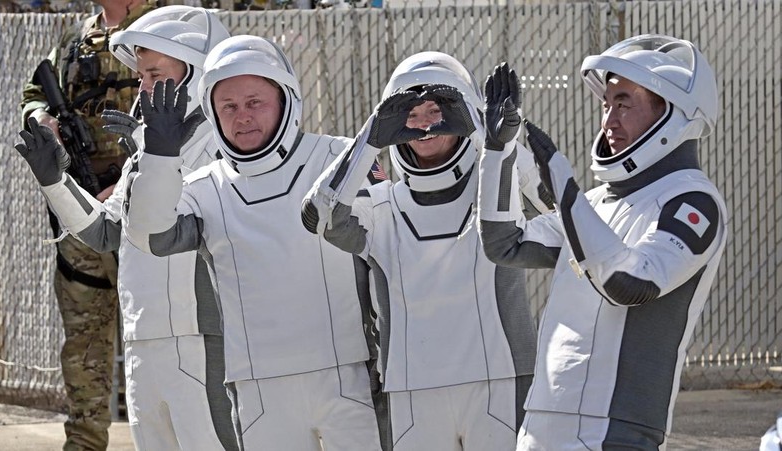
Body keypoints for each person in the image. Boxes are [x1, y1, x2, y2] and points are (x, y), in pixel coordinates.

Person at [121, 35, 383, 450]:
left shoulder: (339, 158)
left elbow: (385, 246)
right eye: (228, 107)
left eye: (254, 102)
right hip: (257, 388)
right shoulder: (202, 187)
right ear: (212, 114)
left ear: (287, 100)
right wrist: (160, 156)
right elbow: (149, 235)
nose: (242, 117)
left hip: (348, 376)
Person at [476, 35, 728, 450]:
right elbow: (504, 244)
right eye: (606, 105)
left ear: (672, 113)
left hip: (617, 431)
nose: (608, 121)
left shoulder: (694, 201)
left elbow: (630, 284)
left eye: (624, 103)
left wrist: (563, 186)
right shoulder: (593, 204)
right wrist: (499, 151)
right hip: (541, 423)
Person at [302, 51, 552, 450]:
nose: (425, 125)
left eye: (439, 110)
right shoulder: (380, 205)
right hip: (410, 394)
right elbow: (319, 217)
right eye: (410, 113)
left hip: (503, 382)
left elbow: (566, 214)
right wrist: (370, 139)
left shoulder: (496, 195)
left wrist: (495, 139)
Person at [16, 7, 238, 450]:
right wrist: (56, 181)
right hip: (146, 346)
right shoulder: (142, 149)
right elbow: (106, 230)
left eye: (154, 73)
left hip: (203, 347)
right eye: (141, 76)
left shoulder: (229, 147)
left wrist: (156, 157)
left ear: (194, 71)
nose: (143, 86)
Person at [19, 0, 154, 448]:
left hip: (148, 211)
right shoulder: (77, 36)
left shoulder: (163, 27)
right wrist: (40, 117)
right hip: (81, 210)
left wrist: (129, 183)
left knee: (163, 338)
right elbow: (36, 91)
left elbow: (198, 113)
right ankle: (85, 442)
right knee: (86, 343)